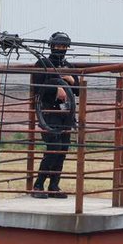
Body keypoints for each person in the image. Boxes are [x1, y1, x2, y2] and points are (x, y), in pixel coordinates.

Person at [31, 31, 77, 198]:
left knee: (63, 150)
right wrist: (55, 87)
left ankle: (54, 186)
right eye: (58, 45)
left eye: (64, 46)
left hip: (66, 114)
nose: (61, 49)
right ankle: (38, 185)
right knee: (53, 148)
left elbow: (77, 90)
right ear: (51, 46)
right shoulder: (43, 63)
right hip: (48, 112)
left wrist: (71, 81)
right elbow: (38, 87)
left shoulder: (69, 66)